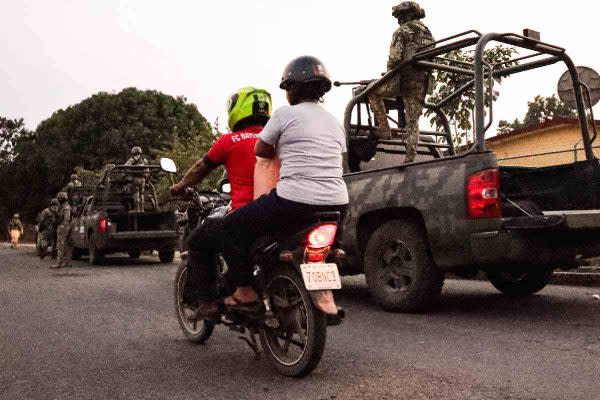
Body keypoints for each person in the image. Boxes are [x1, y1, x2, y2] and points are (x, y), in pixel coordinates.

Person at [211, 56, 348, 317]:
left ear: (292, 88)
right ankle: (333, 251)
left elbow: (260, 149)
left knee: (232, 226)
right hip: (338, 203)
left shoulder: (285, 114)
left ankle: (244, 292)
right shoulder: (334, 122)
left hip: (293, 202)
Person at [169, 87, 272, 320]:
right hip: (279, 211)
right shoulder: (277, 138)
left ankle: (208, 303)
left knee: (197, 241)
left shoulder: (229, 140)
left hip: (244, 215)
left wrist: (180, 186)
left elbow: (200, 169)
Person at [368, 1, 434, 163]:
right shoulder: (429, 34)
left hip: (402, 80)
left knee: (371, 90)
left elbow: (394, 58)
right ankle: (410, 157)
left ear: (406, 16)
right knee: (413, 120)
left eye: (400, 16)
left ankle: (384, 128)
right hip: (421, 82)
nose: (398, 20)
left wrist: (389, 73)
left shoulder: (401, 31)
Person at [51, 192, 72, 269]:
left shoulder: (65, 207)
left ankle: (59, 263)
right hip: (64, 226)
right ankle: (67, 262)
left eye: (59, 198)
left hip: (63, 227)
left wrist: (62, 225)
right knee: (65, 245)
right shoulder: (64, 206)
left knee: (60, 245)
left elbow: (66, 218)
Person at [125, 147, 148, 213]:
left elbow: (126, 165)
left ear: (133, 152)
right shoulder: (144, 160)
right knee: (142, 194)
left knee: (136, 193)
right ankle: (142, 209)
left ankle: (137, 209)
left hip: (136, 178)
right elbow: (147, 169)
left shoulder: (133, 159)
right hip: (143, 179)